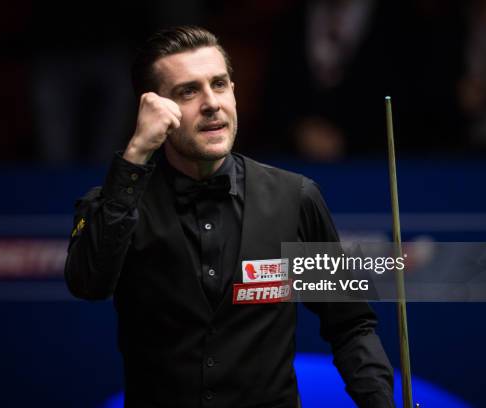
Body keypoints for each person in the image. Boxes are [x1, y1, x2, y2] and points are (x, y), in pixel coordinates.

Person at [64, 26, 394, 408]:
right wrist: (136, 153)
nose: (211, 103)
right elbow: (89, 284)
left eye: (219, 84)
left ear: (233, 92)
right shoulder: (117, 205)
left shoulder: (295, 197)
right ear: (153, 109)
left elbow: (350, 323)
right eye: (188, 91)